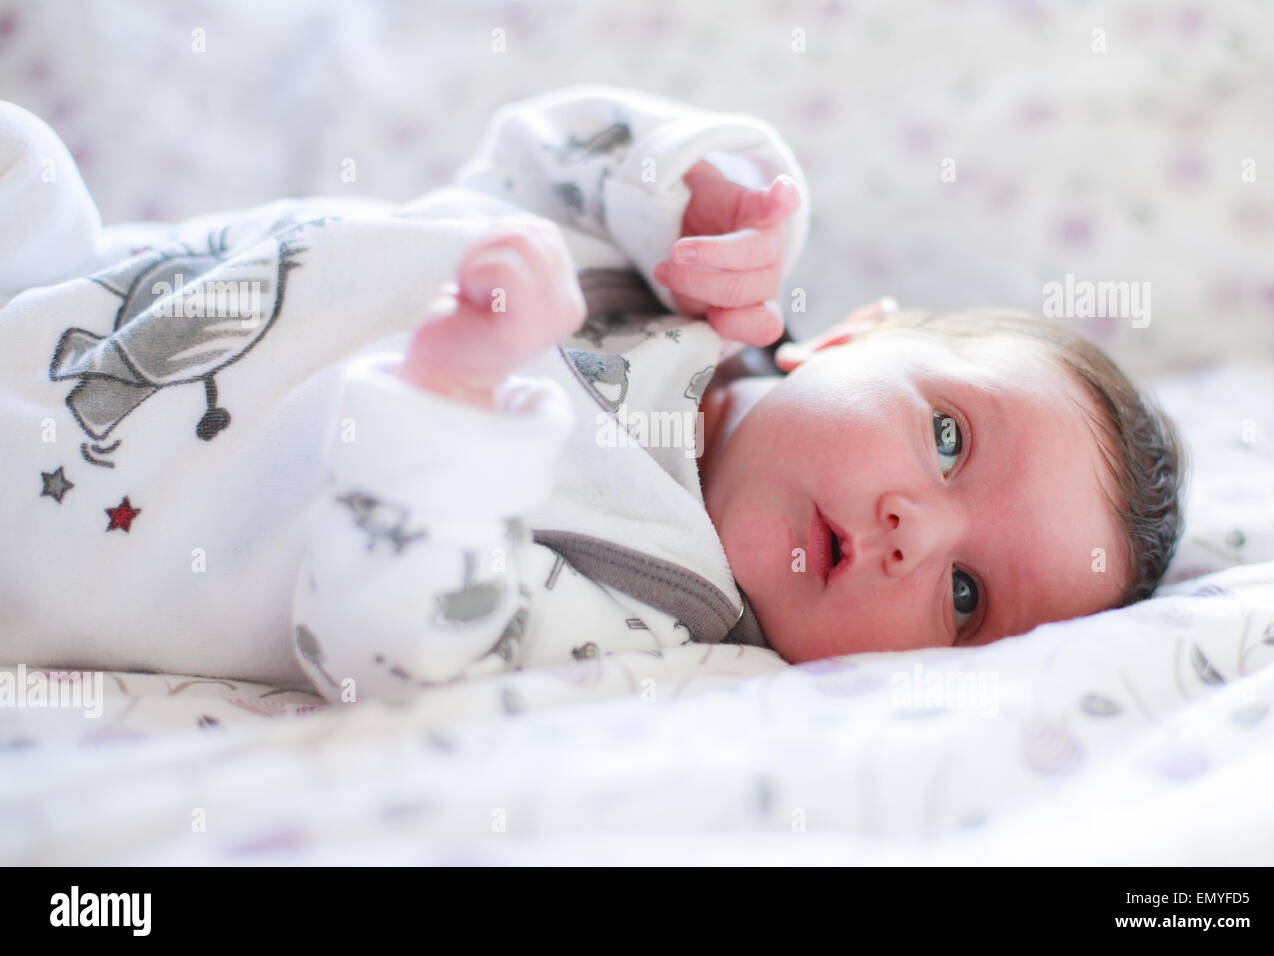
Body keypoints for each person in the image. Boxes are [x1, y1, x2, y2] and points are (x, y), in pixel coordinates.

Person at [0, 84, 1183, 704]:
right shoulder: (670, 287)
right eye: (945, 435)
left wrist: (450, 408)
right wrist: (691, 192)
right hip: (67, 273)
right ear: (851, 336)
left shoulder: (650, 604)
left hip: (46, 516)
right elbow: (527, 155)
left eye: (967, 594)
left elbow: (391, 651)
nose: (913, 532)